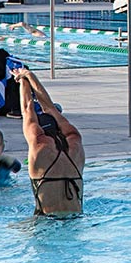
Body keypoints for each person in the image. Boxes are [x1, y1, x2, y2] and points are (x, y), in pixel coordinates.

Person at [19, 69, 84, 217]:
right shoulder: (76, 143)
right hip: (76, 219)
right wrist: (30, 76)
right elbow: (50, 108)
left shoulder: (38, 145)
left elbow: (27, 109)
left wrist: (22, 80)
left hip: (47, 222)